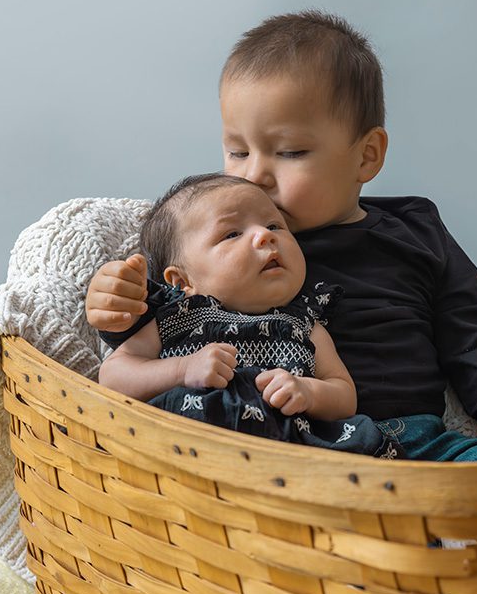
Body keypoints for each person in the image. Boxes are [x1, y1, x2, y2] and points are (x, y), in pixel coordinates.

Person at [87, 10, 477, 461]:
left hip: (416, 439)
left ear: (366, 156)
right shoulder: (226, 247)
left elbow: (472, 327)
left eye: (289, 152)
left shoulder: (415, 230)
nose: (254, 177)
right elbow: (167, 310)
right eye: (236, 151)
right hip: (284, 440)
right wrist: (114, 301)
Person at [98, 173, 402, 458]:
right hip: (187, 448)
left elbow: (344, 395)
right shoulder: (176, 317)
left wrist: (308, 392)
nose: (264, 237)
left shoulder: (304, 324)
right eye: (232, 233)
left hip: (287, 459)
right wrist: (181, 370)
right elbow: (113, 376)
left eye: (274, 226)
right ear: (182, 282)